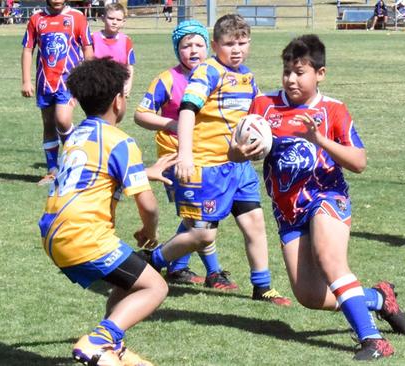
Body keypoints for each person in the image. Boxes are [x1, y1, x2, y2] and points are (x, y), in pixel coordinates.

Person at [232, 34, 405, 360]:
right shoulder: (264, 106)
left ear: (320, 74)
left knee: (330, 259)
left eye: (299, 72)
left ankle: (373, 340)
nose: (290, 79)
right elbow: (236, 152)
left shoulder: (333, 110)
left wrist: (318, 139)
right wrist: (240, 150)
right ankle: (378, 298)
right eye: (286, 71)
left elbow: (359, 162)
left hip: (326, 195)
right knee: (310, 296)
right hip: (287, 210)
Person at [142, 14, 290, 305]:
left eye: (242, 42)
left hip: (239, 167)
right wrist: (185, 154)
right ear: (215, 44)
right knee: (202, 236)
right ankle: (151, 259)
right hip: (207, 167)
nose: (237, 49)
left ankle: (262, 287)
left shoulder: (247, 76)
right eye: (229, 43)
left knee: (255, 224)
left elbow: (258, 114)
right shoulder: (207, 72)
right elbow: (186, 111)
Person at [38, 58, 176, 366]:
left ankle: (114, 349)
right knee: (155, 286)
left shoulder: (76, 136)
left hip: (53, 233)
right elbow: (149, 206)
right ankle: (98, 341)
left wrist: (145, 172)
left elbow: (91, 173)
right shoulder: (120, 141)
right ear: (118, 100)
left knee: (124, 282)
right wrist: (149, 233)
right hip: (83, 235)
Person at [135, 20, 242, 290]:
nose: (193, 50)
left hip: (208, 158)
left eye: (199, 44)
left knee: (196, 216)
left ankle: (178, 266)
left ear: (210, 47)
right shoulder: (167, 79)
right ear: (176, 49)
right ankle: (213, 272)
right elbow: (140, 114)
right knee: (200, 217)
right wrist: (171, 125)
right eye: (186, 45)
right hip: (176, 157)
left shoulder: (217, 74)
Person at [21, 0, 94, 185]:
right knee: (48, 124)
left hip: (68, 81)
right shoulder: (36, 19)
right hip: (44, 82)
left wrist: (87, 77)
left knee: (63, 120)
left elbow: (87, 48)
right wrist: (26, 80)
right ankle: (52, 170)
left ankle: (76, 159)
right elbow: (28, 49)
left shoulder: (77, 17)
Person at [91, 2, 135, 97]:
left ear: (123, 22)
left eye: (118, 20)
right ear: (103, 18)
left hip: (118, 90)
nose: (114, 22)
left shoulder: (126, 40)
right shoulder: (93, 39)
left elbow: (129, 66)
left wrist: (128, 84)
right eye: (111, 18)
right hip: (96, 89)